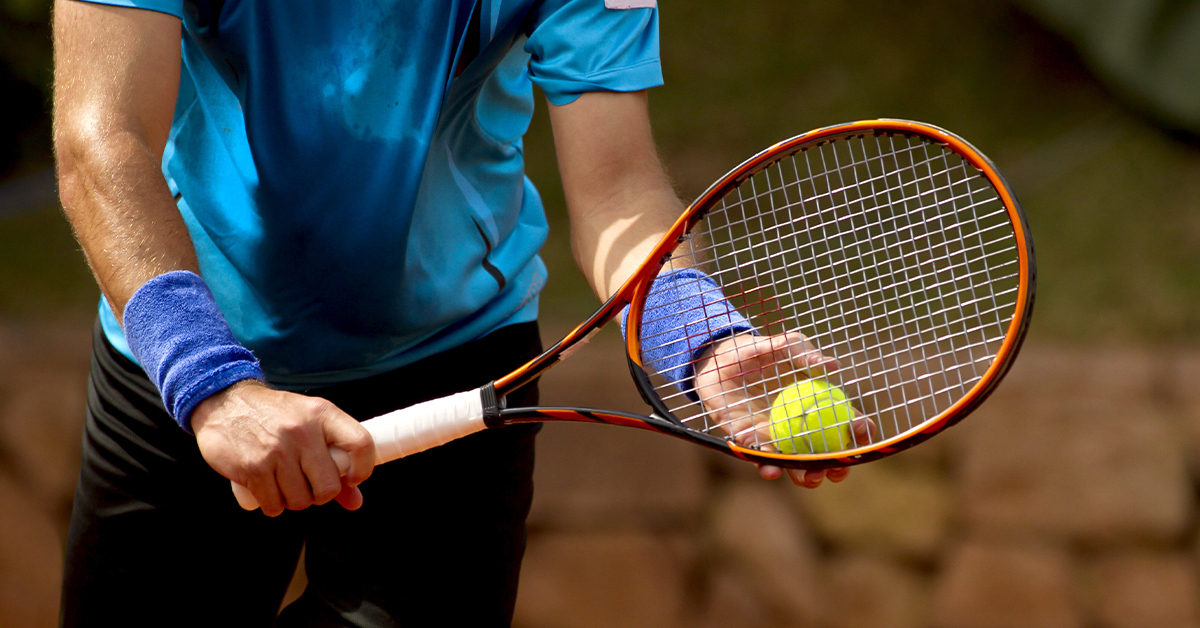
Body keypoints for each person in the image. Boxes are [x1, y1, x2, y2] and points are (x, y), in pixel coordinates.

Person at [52, 0, 852, 625]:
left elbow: (619, 192)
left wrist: (700, 337)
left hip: (455, 362)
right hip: (179, 366)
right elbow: (101, 140)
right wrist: (211, 384)